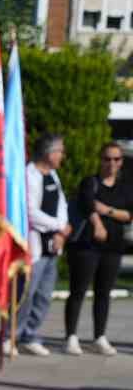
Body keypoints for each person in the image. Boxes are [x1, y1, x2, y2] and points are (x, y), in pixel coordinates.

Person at [62, 141, 127, 356]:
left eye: (116, 159)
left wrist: (106, 210)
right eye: (107, 159)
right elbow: (87, 204)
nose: (111, 163)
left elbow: (128, 215)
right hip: (86, 246)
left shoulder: (125, 187)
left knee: (103, 293)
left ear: (121, 162)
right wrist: (98, 223)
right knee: (78, 291)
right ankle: (71, 336)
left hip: (113, 247)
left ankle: (99, 336)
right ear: (101, 160)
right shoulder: (90, 182)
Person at [14, 133, 69, 356]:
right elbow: (30, 210)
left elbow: (62, 203)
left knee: (44, 294)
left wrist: (62, 230)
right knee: (26, 292)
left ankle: (31, 334)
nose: (62, 156)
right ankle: (11, 335)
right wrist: (57, 226)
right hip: (35, 243)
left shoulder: (53, 175)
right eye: (60, 151)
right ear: (49, 153)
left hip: (53, 244)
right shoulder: (30, 175)